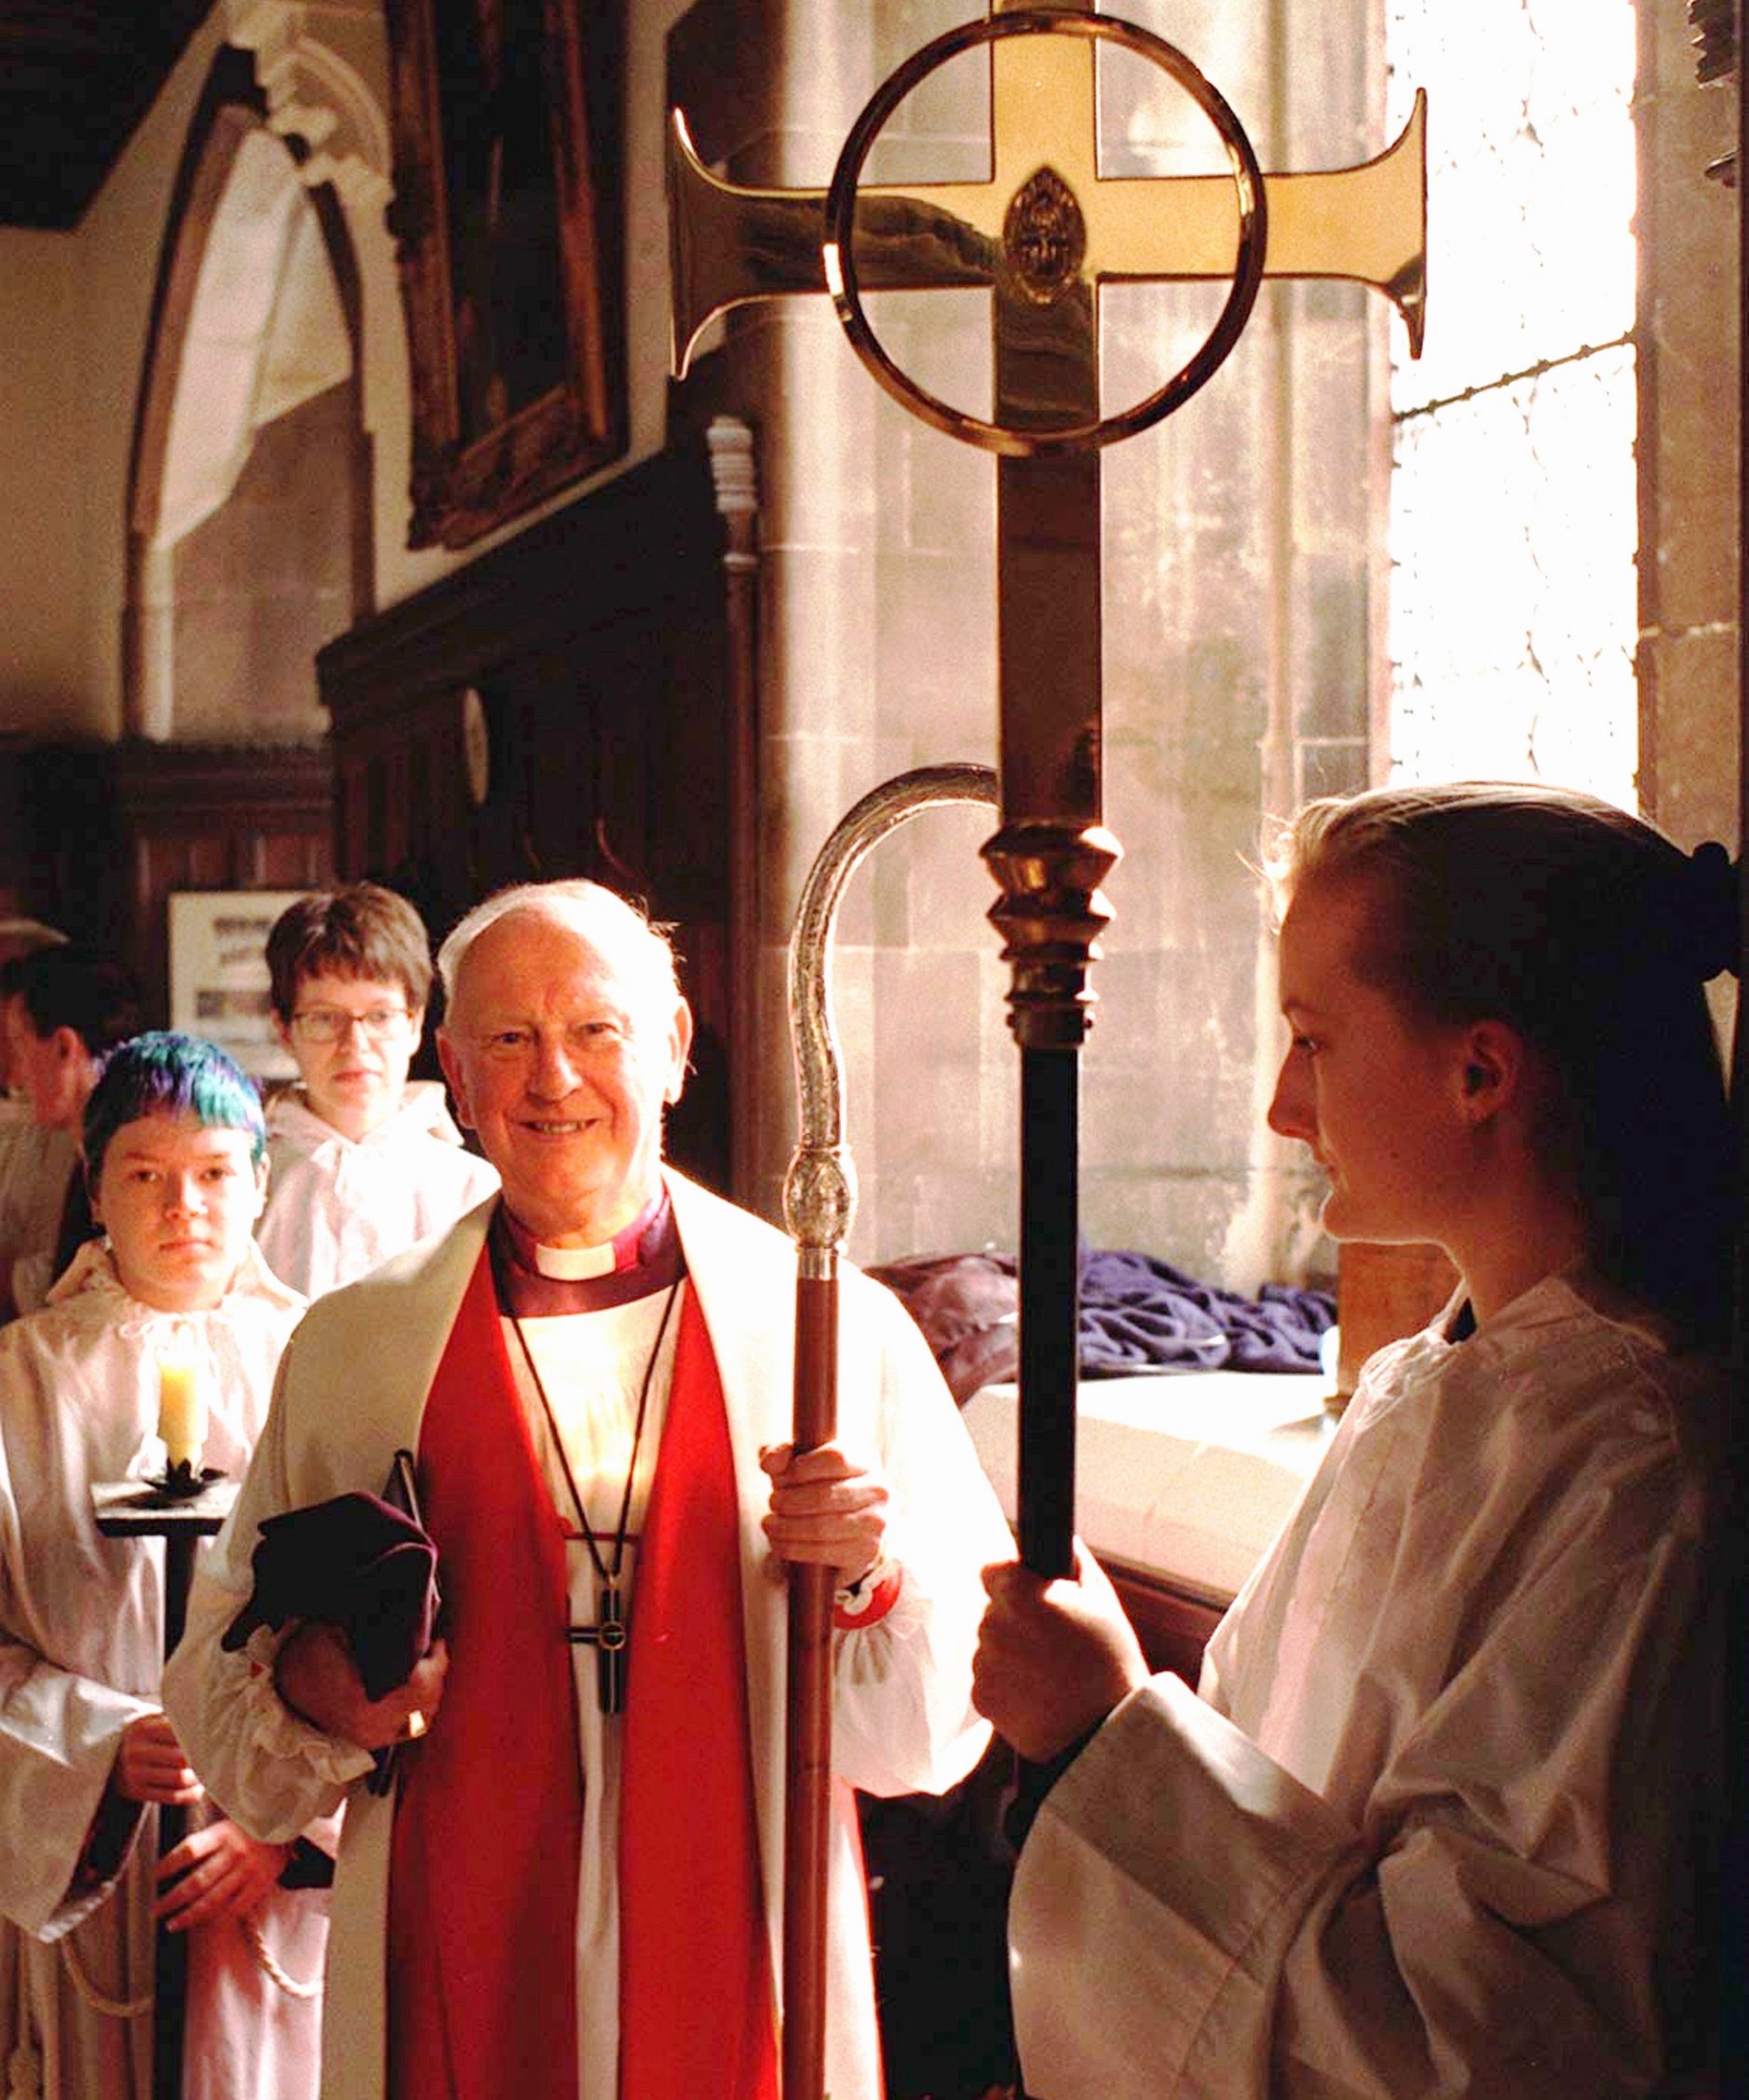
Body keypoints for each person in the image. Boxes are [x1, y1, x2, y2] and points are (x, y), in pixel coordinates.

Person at [164, 877, 1011, 2100]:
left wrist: (869, 1578)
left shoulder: (824, 1326)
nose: (550, 1077)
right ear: (454, 1077)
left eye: (594, 1030)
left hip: (745, 1927)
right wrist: (313, 1693)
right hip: (460, 1935)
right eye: (507, 1038)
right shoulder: (356, 1347)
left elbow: (930, 1737)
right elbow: (221, 1683)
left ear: (671, 1047)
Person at [972, 781, 1732, 2099]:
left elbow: (1473, 2042)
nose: (1279, 1103)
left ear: (1480, 1070)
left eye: (1311, 1038)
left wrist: (1109, 1737)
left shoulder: (1634, 1473)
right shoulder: (1422, 1389)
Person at [0, 1033, 328, 2099]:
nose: (183, 1204)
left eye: (214, 1173)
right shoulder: (21, 1381)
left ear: (260, 1185)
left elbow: (392, 1633)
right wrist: (92, 1744)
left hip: (267, 1878)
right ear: (96, 1187)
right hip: (89, 1863)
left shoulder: (327, 1364)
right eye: (145, 1174)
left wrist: (282, 1824)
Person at [254, 882, 498, 1298]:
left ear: (415, 1024)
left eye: (380, 1016)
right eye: (324, 1018)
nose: (355, 1045)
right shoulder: (251, 1183)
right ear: (284, 1029)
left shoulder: (472, 1189)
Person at [0, 943, 141, 1317]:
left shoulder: (128, 1161)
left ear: (64, 1047)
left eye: (17, 1045)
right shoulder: (92, 1146)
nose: (13, 1076)